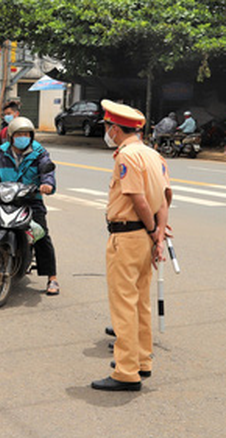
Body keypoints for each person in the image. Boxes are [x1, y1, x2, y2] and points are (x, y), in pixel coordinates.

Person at [91, 100, 172, 392]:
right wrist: (158, 235)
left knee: (124, 305)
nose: (108, 133)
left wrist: (153, 231)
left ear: (114, 128)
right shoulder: (154, 155)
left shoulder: (126, 156)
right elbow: (162, 199)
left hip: (127, 237)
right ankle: (142, 360)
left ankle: (126, 372)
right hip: (145, 238)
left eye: (107, 128)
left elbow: (138, 199)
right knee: (141, 302)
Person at [0, 117, 60, 295]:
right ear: (11, 136)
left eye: (27, 134)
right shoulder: (1, 153)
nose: (23, 137)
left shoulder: (39, 153)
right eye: (20, 134)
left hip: (30, 198)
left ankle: (52, 277)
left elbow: (48, 170)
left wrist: (47, 184)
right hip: (5, 196)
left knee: (41, 233)